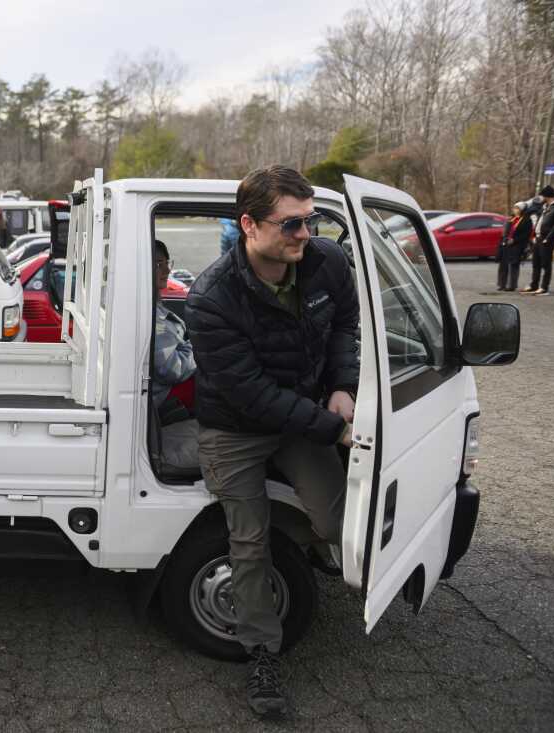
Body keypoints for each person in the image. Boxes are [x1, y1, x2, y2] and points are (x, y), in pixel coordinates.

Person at [184, 166, 359, 719]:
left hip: (303, 415)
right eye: (291, 225)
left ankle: (312, 549)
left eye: (311, 221)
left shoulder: (327, 261)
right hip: (234, 428)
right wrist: (331, 426)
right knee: (249, 542)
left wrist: (342, 386)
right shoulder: (211, 297)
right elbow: (251, 395)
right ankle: (261, 649)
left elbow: (345, 325)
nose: (305, 235)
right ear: (249, 225)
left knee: (343, 525)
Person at [152, 240, 200, 469]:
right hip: (165, 401)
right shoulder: (148, 313)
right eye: (159, 263)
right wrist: (202, 346)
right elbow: (172, 368)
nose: (167, 270)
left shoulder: (154, 304)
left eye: (166, 262)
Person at [522, 185, 554, 295]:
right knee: (536, 263)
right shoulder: (545, 206)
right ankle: (534, 285)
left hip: (547, 239)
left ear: (547, 195)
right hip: (538, 238)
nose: (541, 197)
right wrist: (534, 236)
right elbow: (538, 219)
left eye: (542, 195)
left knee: (546, 264)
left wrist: (548, 238)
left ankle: (544, 287)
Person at [498, 202, 533, 291]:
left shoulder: (526, 220)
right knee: (503, 264)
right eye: (514, 208)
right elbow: (506, 230)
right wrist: (505, 239)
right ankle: (502, 284)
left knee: (513, 265)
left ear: (522, 210)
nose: (515, 210)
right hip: (506, 244)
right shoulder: (511, 218)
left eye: (517, 208)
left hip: (517, 245)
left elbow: (526, 234)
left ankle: (511, 285)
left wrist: (515, 240)